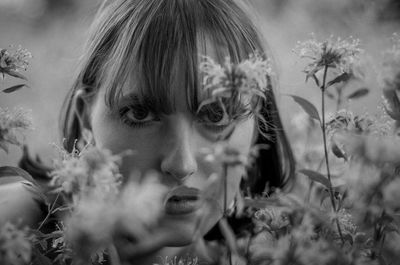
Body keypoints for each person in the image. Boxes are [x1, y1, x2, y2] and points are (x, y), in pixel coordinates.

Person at [1, 0, 295, 264]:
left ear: (258, 123)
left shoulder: (280, 251)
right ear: (86, 118)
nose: (182, 165)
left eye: (216, 114)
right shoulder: (16, 225)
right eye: (140, 113)